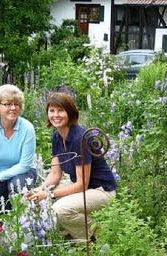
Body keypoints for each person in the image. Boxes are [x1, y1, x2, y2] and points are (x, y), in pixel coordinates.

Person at [28, 92, 117, 240]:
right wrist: (40, 189)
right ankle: (70, 233)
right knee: (37, 200)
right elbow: (55, 174)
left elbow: (82, 185)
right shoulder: (57, 136)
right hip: (82, 186)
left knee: (59, 210)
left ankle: (98, 235)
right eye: (52, 111)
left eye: (61, 110)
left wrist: (49, 194)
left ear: (70, 112)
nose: (56, 115)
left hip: (100, 190)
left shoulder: (79, 138)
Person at [0, 84, 36, 214]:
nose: (13, 108)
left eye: (16, 104)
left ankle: (25, 220)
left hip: (22, 174)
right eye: (7, 104)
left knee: (17, 186)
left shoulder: (27, 128)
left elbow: (25, 164)